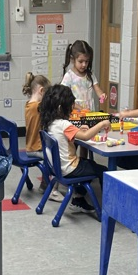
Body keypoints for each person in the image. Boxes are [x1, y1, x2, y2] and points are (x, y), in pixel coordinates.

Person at [39, 84, 110, 215]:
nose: (72, 108)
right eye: (71, 105)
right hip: (69, 169)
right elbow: (86, 136)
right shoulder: (64, 124)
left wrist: (78, 130)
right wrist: (102, 123)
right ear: (61, 108)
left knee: (90, 164)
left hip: (57, 168)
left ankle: (78, 199)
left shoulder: (50, 123)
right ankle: (110, 208)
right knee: (104, 171)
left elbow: (70, 134)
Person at [60, 39, 107, 112]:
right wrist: (81, 108)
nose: (84, 64)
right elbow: (64, 98)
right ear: (72, 59)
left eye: (86, 61)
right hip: (76, 112)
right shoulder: (69, 76)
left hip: (89, 111)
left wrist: (102, 95)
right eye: (80, 61)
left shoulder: (90, 74)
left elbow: (97, 88)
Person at [22, 71, 50, 155]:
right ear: (41, 91)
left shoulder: (28, 104)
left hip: (31, 147)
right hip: (37, 149)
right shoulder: (38, 106)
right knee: (58, 157)